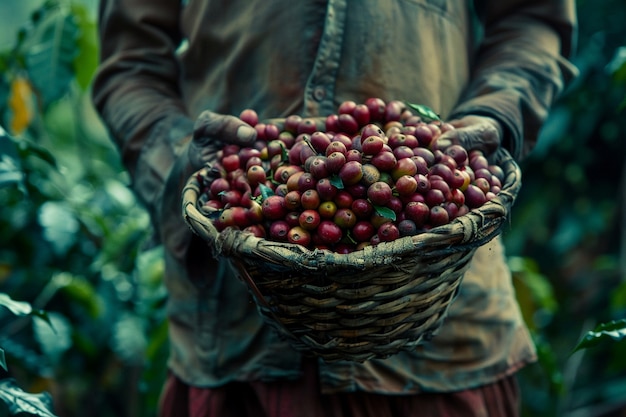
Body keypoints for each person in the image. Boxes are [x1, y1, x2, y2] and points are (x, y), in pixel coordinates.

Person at [92, 1, 578, 416]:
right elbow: (129, 62)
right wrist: (180, 159)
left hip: (444, 327)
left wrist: (496, 112)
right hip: (233, 331)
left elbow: (532, 18)